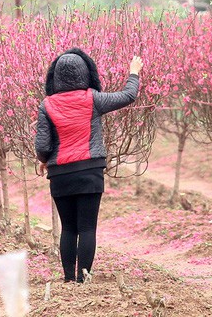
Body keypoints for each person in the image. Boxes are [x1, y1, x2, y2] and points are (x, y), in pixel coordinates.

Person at [35, 48, 143, 283]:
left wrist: (44, 161)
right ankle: (84, 279)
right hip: (90, 172)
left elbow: (43, 145)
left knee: (68, 228)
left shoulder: (47, 105)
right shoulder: (93, 99)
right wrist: (133, 73)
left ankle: (67, 279)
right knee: (87, 229)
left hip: (60, 173)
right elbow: (128, 95)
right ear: (86, 73)